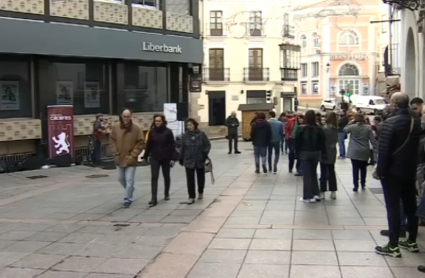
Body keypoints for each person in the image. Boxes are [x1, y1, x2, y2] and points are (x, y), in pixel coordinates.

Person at [375, 92, 421, 258]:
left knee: (393, 207)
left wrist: (380, 172)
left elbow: (384, 152)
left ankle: (393, 245)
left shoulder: (390, 123)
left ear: (394, 104)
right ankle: (412, 241)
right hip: (409, 169)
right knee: (410, 206)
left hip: (393, 172)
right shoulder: (415, 121)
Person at [109, 108, 145, 207]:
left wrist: (134, 154)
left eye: (128, 117)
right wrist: (115, 153)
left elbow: (141, 143)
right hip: (119, 157)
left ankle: (128, 198)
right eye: (124, 116)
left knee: (129, 180)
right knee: (121, 178)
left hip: (131, 158)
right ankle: (130, 190)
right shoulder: (116, 127)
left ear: (131, 116)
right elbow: (112, 141)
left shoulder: (136, 128)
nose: (126, 118)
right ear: (121, 116)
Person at [143, 114, 176, 207]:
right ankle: (154, 198)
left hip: (166, 157)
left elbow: (172, 146)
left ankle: (166, 193)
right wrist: (145, 156)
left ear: (163, 122)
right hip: (155, 157)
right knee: (154, 177)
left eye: (159, 121)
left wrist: (173, 158)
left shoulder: (168, 132)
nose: (157, 123)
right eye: (156, 121)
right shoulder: (152, 132)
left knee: (166, 176)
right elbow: (149, 145)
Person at [295, 110, 326, 203]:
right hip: (316, 153)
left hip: (304, 153)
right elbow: (322, 142)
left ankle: (307, 196)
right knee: (313, 173)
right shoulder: (319, 128)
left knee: (306, 175)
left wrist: (297, 153)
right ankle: (316, 193)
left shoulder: (301, 128)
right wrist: (323, 152)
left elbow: (297, 142)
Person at [179, 118, 211, 205]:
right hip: (189, 160)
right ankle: (191, 196)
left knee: (200, 178)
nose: (189, 127)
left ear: (195, 125)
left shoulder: (201, 135)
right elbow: (182, 148)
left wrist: (204, 154)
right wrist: (181, 158)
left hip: (199, 159)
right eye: (187, 125)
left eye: (190, 125)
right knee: (190, 179)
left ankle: (200, 191)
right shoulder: (185, 136)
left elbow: (207, 145)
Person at [344, 113, 377, 192]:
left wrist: (350, 122)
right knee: (363, 168)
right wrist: (375, 153)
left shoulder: (352, 127)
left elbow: (344, 130)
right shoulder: (368, 128)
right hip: (364, 151)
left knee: (355, 169)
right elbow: (373, 141)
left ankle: (355, 185)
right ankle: (363, 184)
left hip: (354, 151)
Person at [320, 112, 339, 200]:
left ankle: (323, 191)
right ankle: (333, 191)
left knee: (323, 172)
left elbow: (322, 141)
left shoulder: (324, 129)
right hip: (333, 151)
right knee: (332, 172)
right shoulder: (336, 129)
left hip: (324, 152)